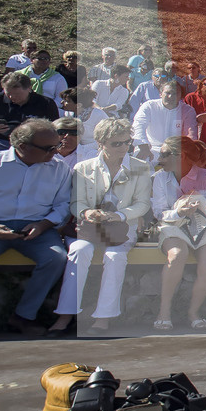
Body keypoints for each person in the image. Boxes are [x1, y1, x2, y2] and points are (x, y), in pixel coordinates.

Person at [51, 117, 151, 334]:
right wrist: (87, 212)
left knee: (115, 257)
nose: (123, 147)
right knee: (78, 250)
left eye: (127, 142)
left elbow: (143, 204)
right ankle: (66, 315)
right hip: (90, 230)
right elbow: (76, 203)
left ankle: (103, 318)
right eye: (117, 143)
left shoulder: (141, 167)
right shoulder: (83, 167)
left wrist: (120, 216)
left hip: (122, 230)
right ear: (101, 143)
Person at [0, 119, 71, 335]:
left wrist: (43, 225)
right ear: (22, 146)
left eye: (57, 146)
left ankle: (23, 316)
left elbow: (63, 205)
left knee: (56, 258)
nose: (55, 152)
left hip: (38, 228)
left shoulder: (59, 169)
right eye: (49, 148)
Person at [152, 137, 206, 331]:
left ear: (180, 156)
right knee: (176, 254)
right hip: (173, 225)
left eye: (164, 154)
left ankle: (194, 312)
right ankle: (164, 311)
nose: (159, 159)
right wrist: (179, 212)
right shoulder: (160, 177)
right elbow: (159, 212)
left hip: (205, 226)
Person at [131, 77, 198, 163]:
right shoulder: (149, 106)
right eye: (168, 93)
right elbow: (138, 125)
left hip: (175, 151)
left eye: (175, 93)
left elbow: (191, 134)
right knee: (139, 160)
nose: (171, 96)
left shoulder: (188, 110)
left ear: (181, 96)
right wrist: (143, 145)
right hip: (151, 148)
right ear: (160, 93)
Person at [0, 70, 60, 149]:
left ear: (29, 88)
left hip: (32, 144)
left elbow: (54, 129)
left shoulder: (45, 103)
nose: (12, 97)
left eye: (17, 94)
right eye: (8, 94)